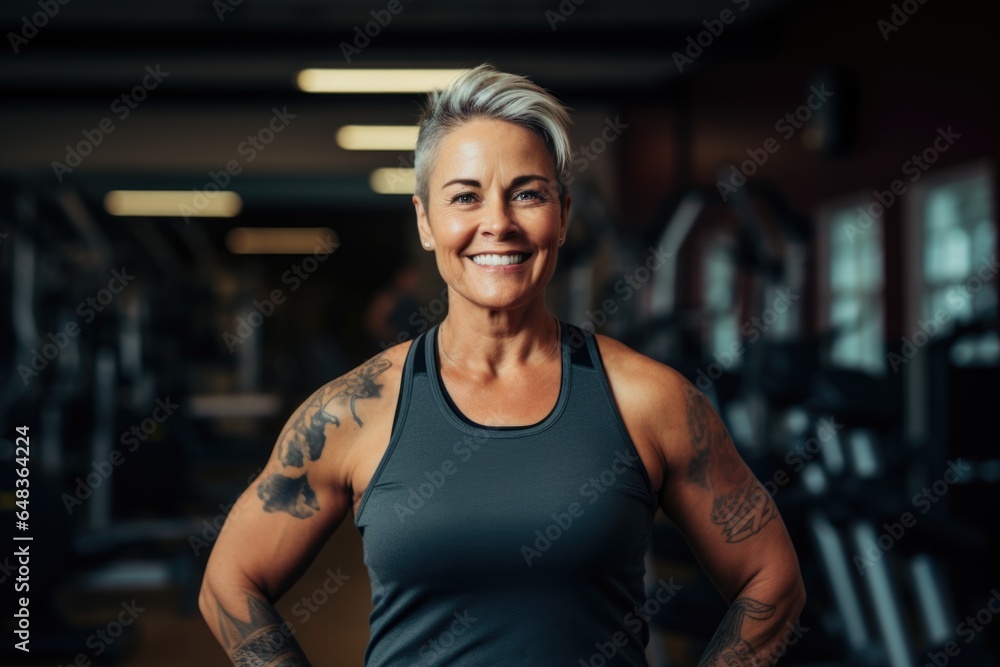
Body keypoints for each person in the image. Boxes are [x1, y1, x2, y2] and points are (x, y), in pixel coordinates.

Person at [198, 64, 805, 666]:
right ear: (425, 221)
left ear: (562, 215)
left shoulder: (649, 399)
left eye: (527, 194)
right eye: (465, 196)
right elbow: (230, 581)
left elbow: (771, 580)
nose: (498, 223)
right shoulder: (355, 411)